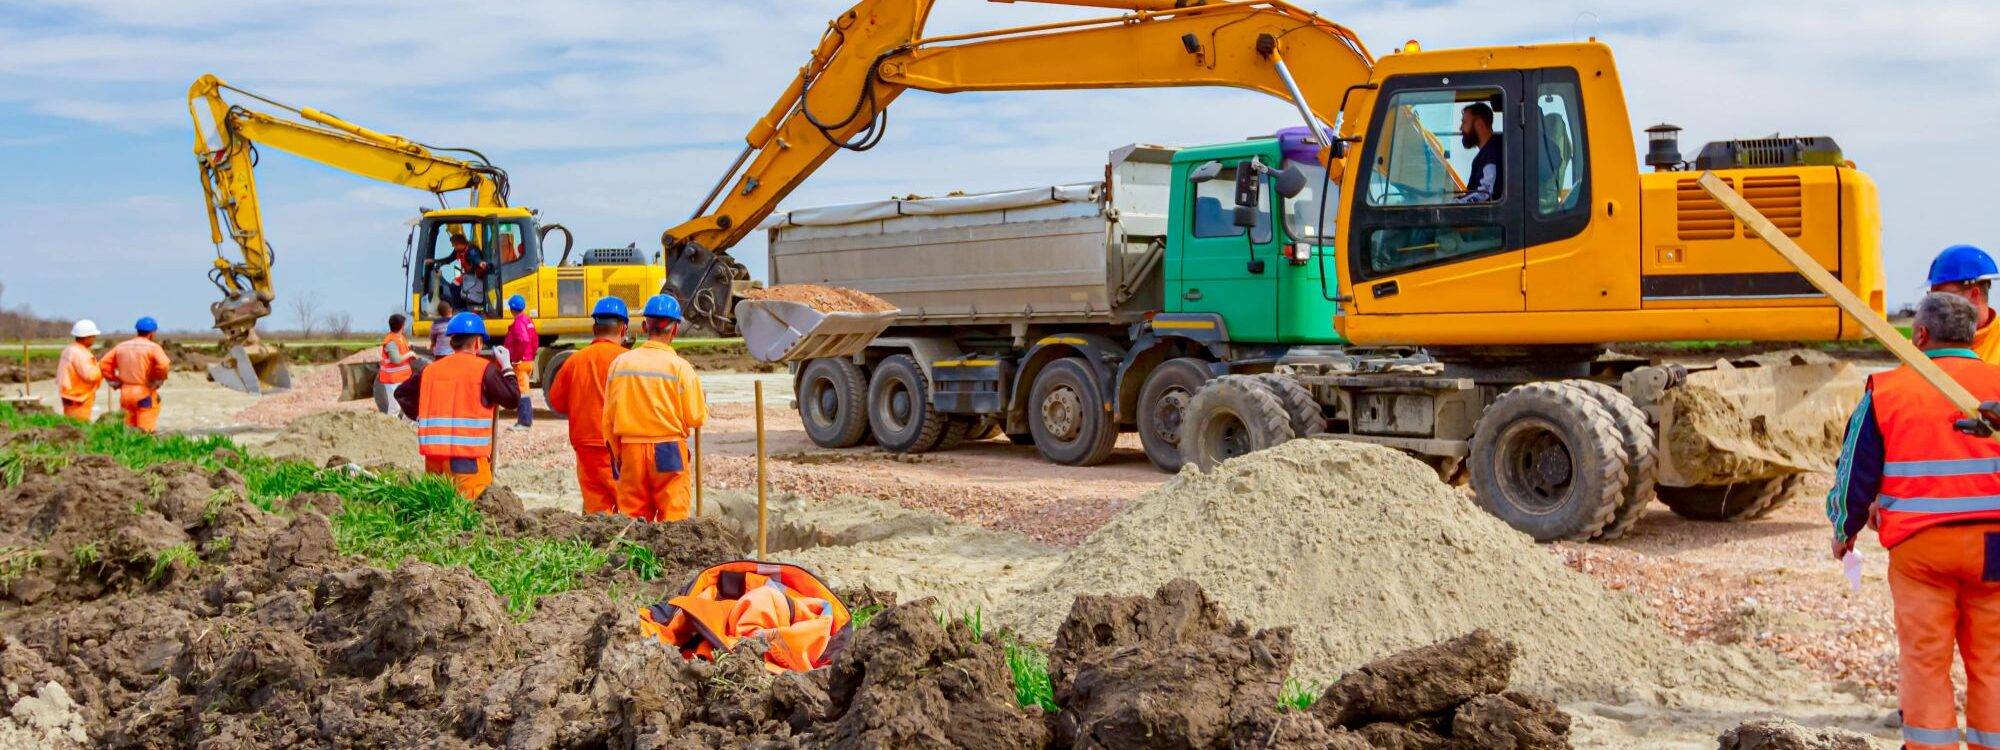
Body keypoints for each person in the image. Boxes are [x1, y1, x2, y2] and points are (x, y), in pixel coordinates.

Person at [1827, 291, 2000, 750]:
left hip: (1921, 550)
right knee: (1994, 661)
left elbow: (1853, 472)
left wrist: (1843, 529)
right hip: (1995, 548)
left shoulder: (1886, 389)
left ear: (1920, 334)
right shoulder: (1997, 383)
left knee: (1925, 659)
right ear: (1972, 333)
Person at [601, 294, 706, 522]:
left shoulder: (620, 364)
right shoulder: (681, 368)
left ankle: (635, 558)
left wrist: (617, 454)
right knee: (674, 519)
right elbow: (696, 417)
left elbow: (608, 418)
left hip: (631, 449)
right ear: (675, 330)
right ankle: (671, 558)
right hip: (668, 449)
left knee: (633, 521)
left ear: (645, 326)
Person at [394, 312, 520, 500]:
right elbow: (512, 399)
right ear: (478, 342)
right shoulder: (484, 370)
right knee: (471, 518)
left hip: (434, 461)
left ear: (452, 342)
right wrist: (507, 367)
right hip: (468, 465)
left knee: (438, 516)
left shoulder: (430, 370)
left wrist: (422, 416)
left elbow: (401, 393)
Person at [546, 297, 631, 515]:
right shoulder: (628, 361)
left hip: (585, 444)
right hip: (619, 444)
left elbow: (556, 402)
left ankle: (599, 545)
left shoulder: (575, 361)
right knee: (627, 505)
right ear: (623, 329)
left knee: (597, 509)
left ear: (594, 328)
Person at [1925, 244, 2000, 363]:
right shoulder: (1922, 345)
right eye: (1932, 297)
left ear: (1974, 295)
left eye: (1943, 297)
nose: (1934, 305)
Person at [99, 317, 172, 433]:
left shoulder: (121, 346)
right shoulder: (153, 348)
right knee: (146, 431)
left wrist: (115, 381)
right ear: (152, 333)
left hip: (125, 393)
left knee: (128, 429)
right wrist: (157, 380)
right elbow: (164, 365)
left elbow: (103, 364)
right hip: (144, 392)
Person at [56, 319, 104, 422]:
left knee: (70, 424)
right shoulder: (80, 354)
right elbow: (90, 375)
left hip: (68, 395)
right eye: (93, 336)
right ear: (86, 337)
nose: (94, 339)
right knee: (79, 426)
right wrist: (101, 368)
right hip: (78, 398)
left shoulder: (69, 349)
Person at [1457, 101, 1503, 203]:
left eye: (1464, 122)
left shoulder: (1492, 153)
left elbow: (1486, 193)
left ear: (1479, 124)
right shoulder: (1488, 152)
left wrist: (1455, 204)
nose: (1461, 128)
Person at [503, 294, 538, 430]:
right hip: (528, 360)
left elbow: (523, 340)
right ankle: (525, 421)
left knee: (522, 391)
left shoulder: (518, 322)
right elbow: (534, 341)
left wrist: (516, 357)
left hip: (521, 361)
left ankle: (524, 422)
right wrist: (531, 355)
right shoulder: (528, 320)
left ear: (511, 309)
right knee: (524, 390)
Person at [376, 314, 415, 417]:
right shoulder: (391, 341)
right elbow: (395, 359)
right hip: (392, 380)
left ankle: (406, 427)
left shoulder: (400, 337)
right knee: (395, 407)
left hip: (403, 377)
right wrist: (410, 354)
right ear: (402, 326)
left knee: (408, 405)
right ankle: (391, 428)